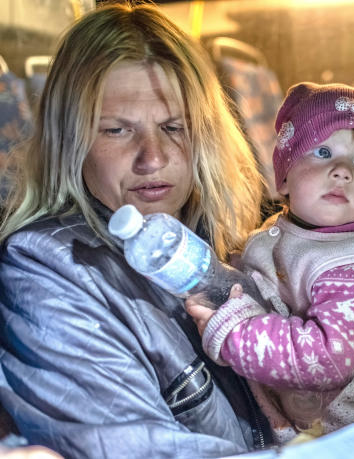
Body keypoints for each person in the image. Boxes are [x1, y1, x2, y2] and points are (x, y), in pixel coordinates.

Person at [0, 3, 274, 457]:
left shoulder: (238, 245)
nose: (153, 157)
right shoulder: (46, 269)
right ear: (73, 144)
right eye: (116, 130)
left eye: (174, 127)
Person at [186, 82, 354, 456]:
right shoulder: (280, 237)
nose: (342, 171)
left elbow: (325, 358)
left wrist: (234, 332)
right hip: (304, 435)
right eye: (322, 151)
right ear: (283, 176)